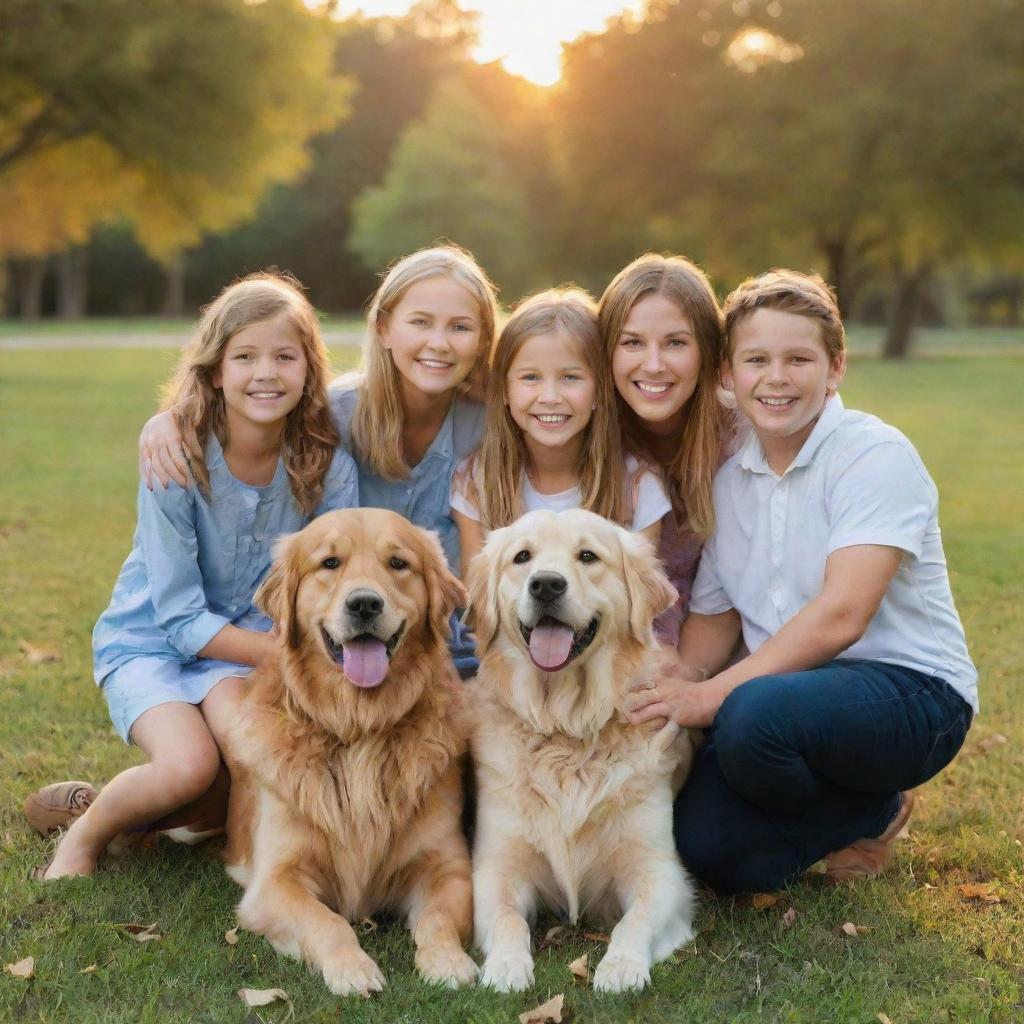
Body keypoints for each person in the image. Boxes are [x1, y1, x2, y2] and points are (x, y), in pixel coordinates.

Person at [625, 270, 976, 893]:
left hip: (913, 694)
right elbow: (715, 615)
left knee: (751, 715)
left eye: (799, 359)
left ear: (835, 367)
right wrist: (679, 677)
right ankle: (863, 815)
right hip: (790, 699)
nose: (777, 377)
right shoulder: (731, 478)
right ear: (729, 376)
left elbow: (844, 615)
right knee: (704, 848)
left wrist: (711, 697)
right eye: (756, 359)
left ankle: (877, 799)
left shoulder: (874, 455)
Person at [34, 273, 359, 879]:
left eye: (285, 357)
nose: (266, 373)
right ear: (215, 371)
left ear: (310, 371)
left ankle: (139, 811)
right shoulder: (177, 455)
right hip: (154, 643)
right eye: (245, 357)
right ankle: (84, 834)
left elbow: (339, 574)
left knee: (252, 759)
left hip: (238, 654)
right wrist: (288, 657)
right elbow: (180, 618)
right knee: (187, 767)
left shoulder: (326, 464)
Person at [138, 244, 500, 677]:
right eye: (420, 322)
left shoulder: (495, 426)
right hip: (365, 639)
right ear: (384, 328)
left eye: (460, 327)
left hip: (465, 644)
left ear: (482, 341)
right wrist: (171, 419)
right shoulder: (334, 415)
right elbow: (254, 404)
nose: (438, 343)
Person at [451, 287, 671, 576]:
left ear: (599, 391)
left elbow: (636, 606)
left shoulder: (638, 487)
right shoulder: (476, 481)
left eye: (570, 377)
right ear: (504, 389)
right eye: (530, 377)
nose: (550, 396)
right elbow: (477, 602)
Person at [598, 254, 737, 646]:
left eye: (675, 343)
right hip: (629, 644)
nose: (654, 365)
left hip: (737, 640)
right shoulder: (589, 438)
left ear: (707, 352)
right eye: (632, 343)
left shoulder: (743, 437)